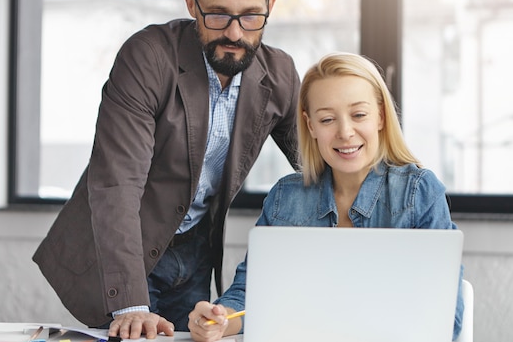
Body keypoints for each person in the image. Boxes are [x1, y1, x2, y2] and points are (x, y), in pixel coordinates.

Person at [32, 0, 300, 340]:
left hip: (195, 252)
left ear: (270, 6)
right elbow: (117, 181)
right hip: (126, 246)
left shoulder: (279, 74)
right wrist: (131, 304)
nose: (234, 33)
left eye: (250, 16)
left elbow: (320, 161)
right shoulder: (149, 56)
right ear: (191, 4)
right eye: (217, 15)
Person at [188, 52, 465, 342]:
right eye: (328, 119)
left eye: (359, 115)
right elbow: (250, 296)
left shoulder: (419, 192)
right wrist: (218, 320)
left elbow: (447, 318)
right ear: (311, 126)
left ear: (381, 117)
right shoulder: (285, 197)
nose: (345, 132)